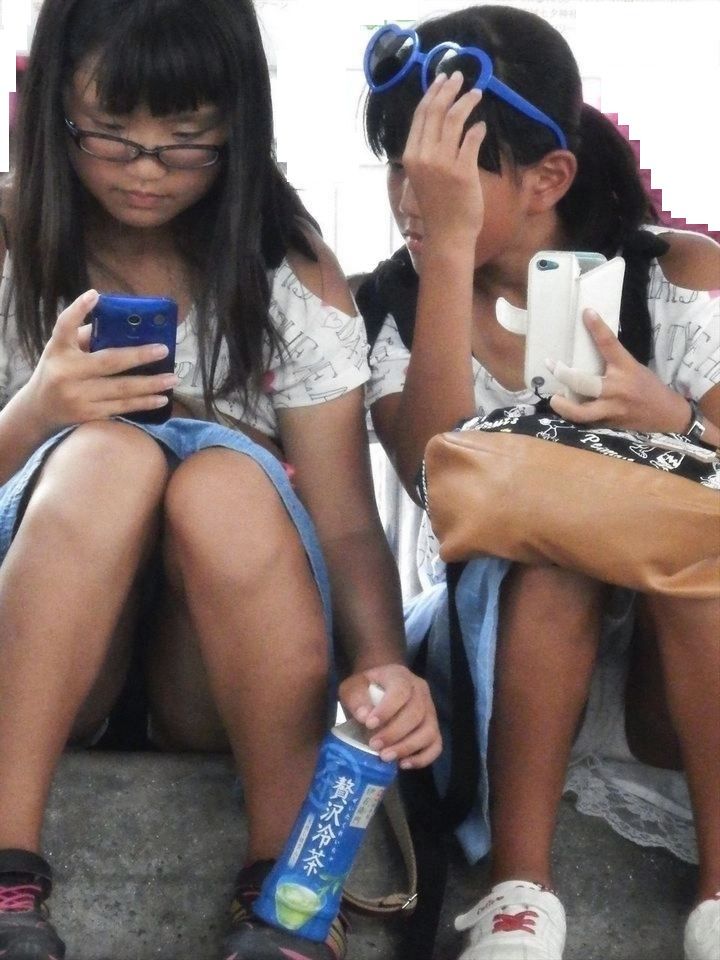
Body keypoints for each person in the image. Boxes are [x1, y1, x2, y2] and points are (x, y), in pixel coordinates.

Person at [0, 2, 442, 960]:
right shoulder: (7, 243)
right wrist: (36, 414)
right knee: (110, 456)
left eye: (187, 141)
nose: (146, 169)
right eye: (109, 134)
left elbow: (345, 522)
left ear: (241, 126)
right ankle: (5, 873)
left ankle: (287, 898)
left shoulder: (286, 273)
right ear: (49, 111)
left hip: (213, 671)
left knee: (224, 481)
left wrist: (382, 666)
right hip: (40, 648)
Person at [357, 6, 720, 960]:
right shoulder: (390, 305)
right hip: (488, 650)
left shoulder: (675, 279)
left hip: (669, 663)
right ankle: (519, 896)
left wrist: (675, 420)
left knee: (702, 551)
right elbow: (434, 475)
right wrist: (447, 255)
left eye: (447, 175)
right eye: (399, 166)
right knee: (554, 561)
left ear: (549, 176)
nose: (411, 199)